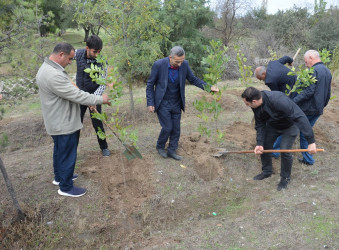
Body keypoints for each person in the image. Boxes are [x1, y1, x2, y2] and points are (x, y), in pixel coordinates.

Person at [36, 43, 110, 197]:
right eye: (69, 59)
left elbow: (72, 90)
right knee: (67, 152)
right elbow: (77, 96)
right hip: (63, 122)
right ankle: (66, 187)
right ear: (61, 54)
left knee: (59, 150)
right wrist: (99, 99)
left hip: (55, 120)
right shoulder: (53, 75)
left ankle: (60, 177)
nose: (71, 62)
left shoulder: (47, 68)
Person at [146, 46, 219, 161]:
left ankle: (172, 150)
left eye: (182, 61)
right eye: (177, 61)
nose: (180, 64)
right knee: (167, 127)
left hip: (177, 102)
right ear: (170, 57)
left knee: (176, 128)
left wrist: (209, 88)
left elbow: (193, 79)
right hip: (162, 102)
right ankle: (160, 146)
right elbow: (150, 85)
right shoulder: (159, 65)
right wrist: (150, 102)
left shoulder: (184, 64)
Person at [241, 87, 317, 191]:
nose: (247, 106)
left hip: (290, 126)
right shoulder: (255, 105)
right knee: (265, 145)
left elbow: (300, 117)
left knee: (285, 149)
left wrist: (311, 141)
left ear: (254, 101)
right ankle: (267, 171)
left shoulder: (278, 100)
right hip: (273, 125)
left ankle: (285, 178)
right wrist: (259, 143)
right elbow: (260, 124)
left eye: (247, 104)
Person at [293, 50, 332, 165]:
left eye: (306, 62)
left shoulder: (313, 70)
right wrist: (322, 106)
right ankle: (308, 159)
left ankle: (275, 152)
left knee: (291, 127)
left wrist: (293, 102)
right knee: (307, 131)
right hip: (318, 109)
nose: (306, 64)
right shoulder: (327, 71)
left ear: (311, 58)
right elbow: (328, 93)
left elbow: (309, 91)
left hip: (308, 109)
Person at [75, 35, 111, 157]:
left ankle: (104, 147)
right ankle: (73, 150)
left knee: (97, 123)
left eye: (99, 51)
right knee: (76, 124)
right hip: (79, 96)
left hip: (95, 96)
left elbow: (103, 82)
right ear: (87, 48)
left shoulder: (102, 61)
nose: (97, 54)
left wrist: (94, 99)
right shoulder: (78, 54)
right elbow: (65, 57)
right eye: (95, 51)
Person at [255, 56, 298, 159]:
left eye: (261, 79)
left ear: (264, 74)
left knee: (287, 114)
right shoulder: (272, 63)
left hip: (291, 90)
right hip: (297, 81)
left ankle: (276, 149)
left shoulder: (270, 80)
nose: (262, 81)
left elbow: (276, 95)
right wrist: (290, 63)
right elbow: (287, 58)